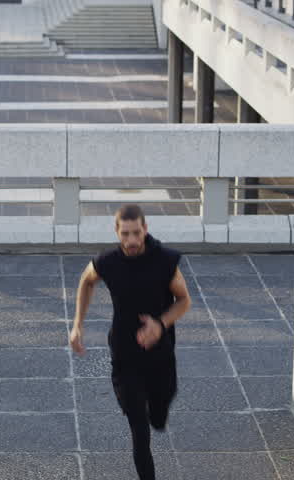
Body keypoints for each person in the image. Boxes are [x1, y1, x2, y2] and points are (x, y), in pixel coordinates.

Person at [69, 204, 191, 480]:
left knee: (158, 415)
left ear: (145, 229)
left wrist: (160, 325)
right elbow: (86, 282)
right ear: (117, 232)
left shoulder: (165, 260)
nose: (132, 240)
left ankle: (158, 411)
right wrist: (77, 324)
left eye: (137, 233)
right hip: (125, 354)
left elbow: (184, 300)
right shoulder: (108, 262)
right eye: (125, 234)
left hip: (160, 354)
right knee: (139, 429)